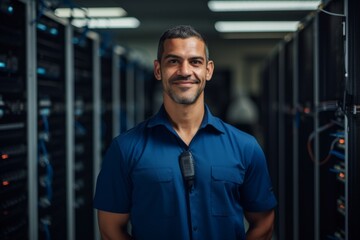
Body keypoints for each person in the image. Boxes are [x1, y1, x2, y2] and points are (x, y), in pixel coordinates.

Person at [93, 25, 277, 240]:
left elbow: (264, 223)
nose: (184, 71)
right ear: (158, 69)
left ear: (208, 70)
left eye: (195, 62)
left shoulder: (245, 147)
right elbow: (110, 229)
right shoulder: (125, 149)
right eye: (173, 61)